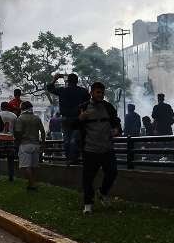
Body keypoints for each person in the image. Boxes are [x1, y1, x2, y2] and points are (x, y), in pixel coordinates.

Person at [77, 82, 121, 212]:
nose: (100, 95)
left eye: (102, 93)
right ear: (92, 93)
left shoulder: (108, 107)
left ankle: (102, 192)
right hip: (90, 149)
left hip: (107, 147)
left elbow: (116, 122)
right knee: (88, 177)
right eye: (98, 92)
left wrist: (117, 130)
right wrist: (80, 118)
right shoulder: (83, 107)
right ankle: (88, 204)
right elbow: (72, 125)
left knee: (112, 172)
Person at [46, 73, 90, 162]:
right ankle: (75, 158)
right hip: (78, 119)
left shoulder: (63, 90)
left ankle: (68, 158)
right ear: (77, 81)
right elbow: (88, 103)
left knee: (67, 139)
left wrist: (55, 79)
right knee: (76, 139)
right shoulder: (83, 91)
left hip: (66, 118)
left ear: (67, 81)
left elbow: (50, 88)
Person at [13, 101, 46, 191]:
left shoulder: (20, 118)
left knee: (24, 167)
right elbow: (42, 132)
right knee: (34, 166)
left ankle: (33, 183)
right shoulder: (37, 118)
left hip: (25, 144)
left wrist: (18, 142)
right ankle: (31, 184)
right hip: (36, 144)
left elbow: (18, 132)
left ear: (22, 108)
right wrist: (43, 143)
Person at [0, 100, 18, 182]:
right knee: (11, 158)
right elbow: (16, 128)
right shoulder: (14, 116)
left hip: (0, 137)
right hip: (10, 138)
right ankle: (11, 176)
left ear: (1, 107)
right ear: (8, 107)